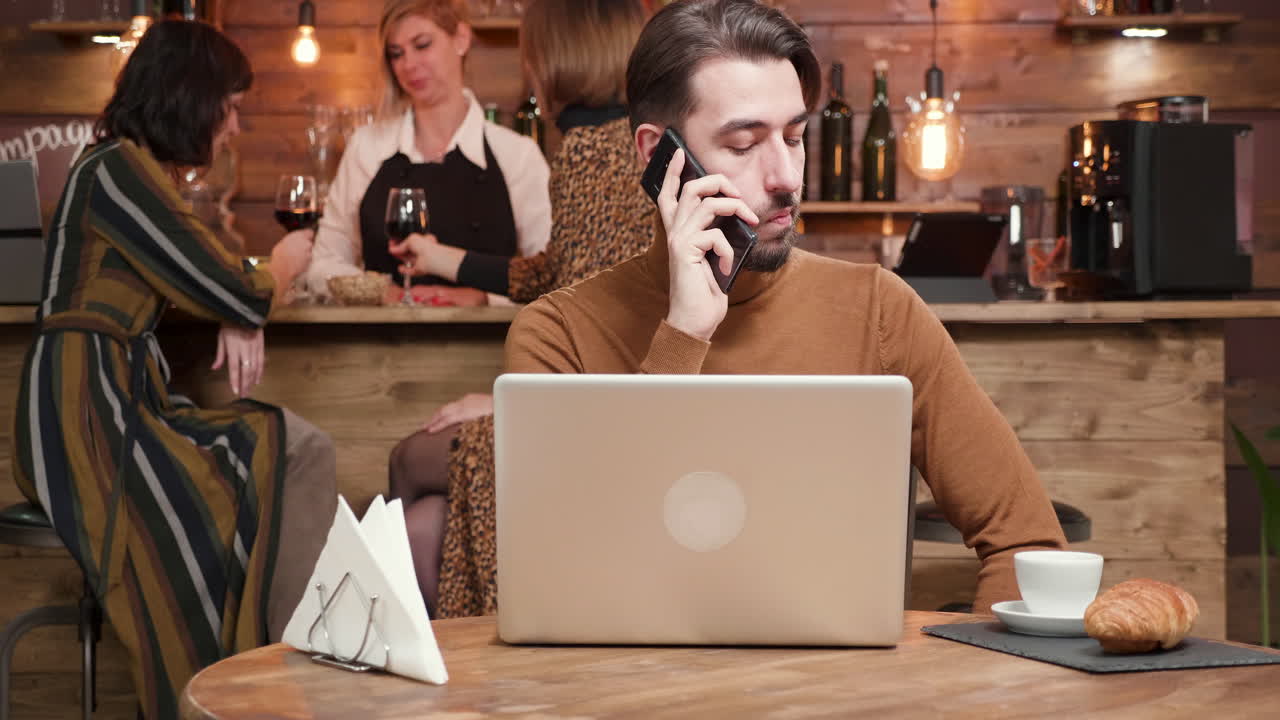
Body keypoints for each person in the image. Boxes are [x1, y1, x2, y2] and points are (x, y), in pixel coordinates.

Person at [437, 0, 1068, 618]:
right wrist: (683, 335)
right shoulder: (558, 333)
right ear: (658, 154)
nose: (785, 177)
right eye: (743, 144)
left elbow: (1027, 545)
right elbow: (577, 578)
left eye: (794, 137)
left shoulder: (878, 310)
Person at [9, 21, 337, 719]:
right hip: (87, 415)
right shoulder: (117, 173)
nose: (236, 126)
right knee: (282, 453)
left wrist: (236, 302)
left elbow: (211, 278)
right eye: (232, 105)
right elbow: (235, 284)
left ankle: (277, 682)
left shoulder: (125, 172)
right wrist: (280, 265)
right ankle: (280, 687)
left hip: (110, 401)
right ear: (195, 99)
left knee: (287, 449)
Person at [386, 0, 654, 613]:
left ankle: (430, 655)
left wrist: (517, 397)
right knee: (428, 519)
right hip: (622, 401)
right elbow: (563, 271)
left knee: (410, 460)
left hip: (593, 416)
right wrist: (441, 257)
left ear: (555, 57)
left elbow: (592, 311)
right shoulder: (643, 138)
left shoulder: (588, 150)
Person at [304, 0, 553, 306]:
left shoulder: (518, 155)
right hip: (377, 347)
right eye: (396, 53)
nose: (408, 64)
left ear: (461, 39)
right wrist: (383, 293)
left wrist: (483, 299)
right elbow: (323, 265)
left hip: (488, 348)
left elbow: (553, 276)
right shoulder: (367, 148)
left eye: (422, 45)